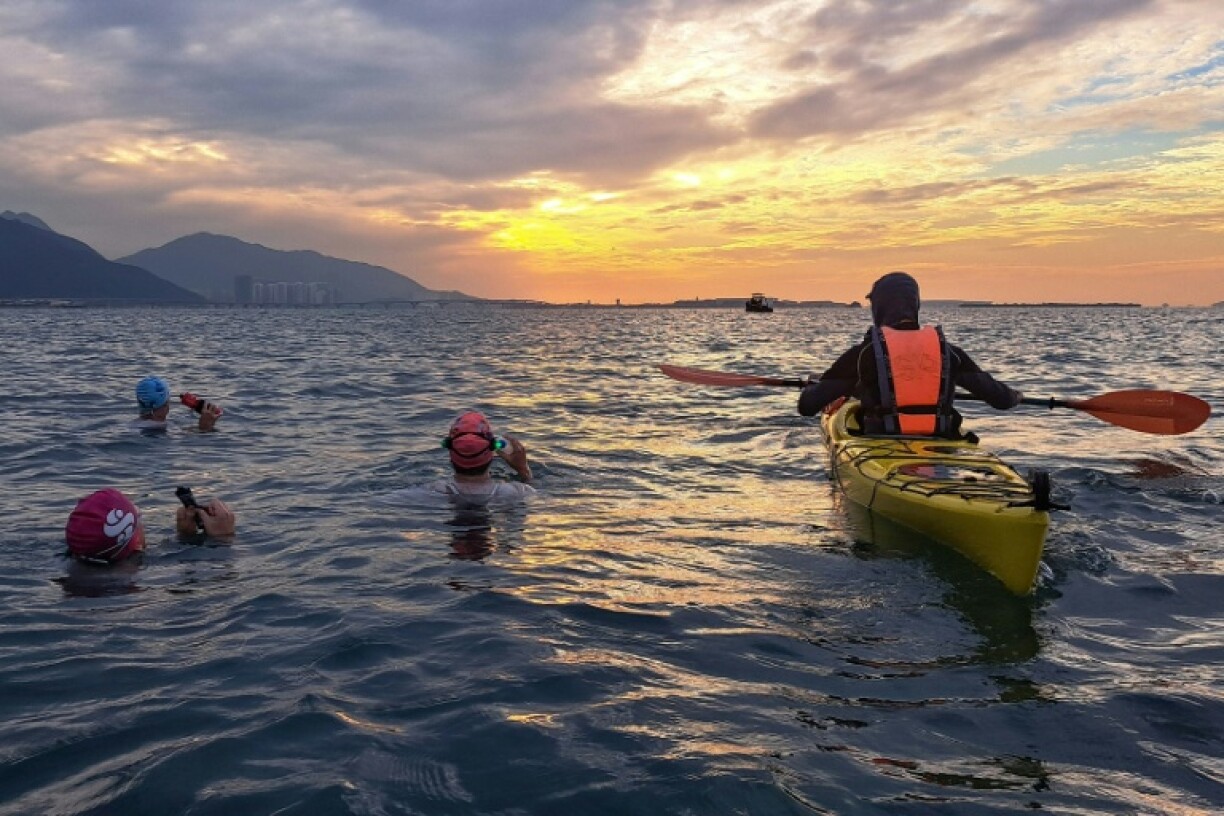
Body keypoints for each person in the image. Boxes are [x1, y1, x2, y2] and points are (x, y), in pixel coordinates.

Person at [798, 271, 1023, 437]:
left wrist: (815, 386)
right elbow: (1002, 400)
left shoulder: (864, 355)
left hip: (880, 446)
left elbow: (807, 406)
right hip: (940, 444)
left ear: (879, 309)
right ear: (915, 305)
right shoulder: (948, 352)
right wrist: (1015, 396)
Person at [64, 487, 236, 565]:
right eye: (138, 516)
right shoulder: (139, 588)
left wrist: (185, 536)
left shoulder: (76, 574)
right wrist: (223, 541)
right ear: (134, 542)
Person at [133, 375, 222, 432]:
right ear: (164, 406)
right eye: (167, 401)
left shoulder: (133, 425)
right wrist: (205, 427)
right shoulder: (160, 426)